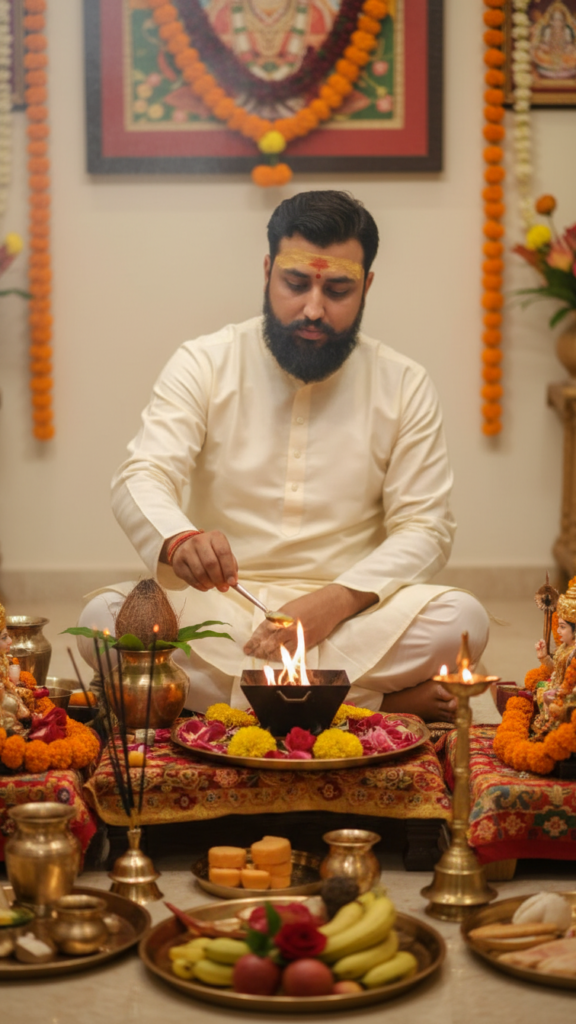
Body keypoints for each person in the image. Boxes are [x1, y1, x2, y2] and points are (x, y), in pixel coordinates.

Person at [79, 191, 489, 721]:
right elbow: (143, 472)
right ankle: (374, 704)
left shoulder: (404, 383)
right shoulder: (205, 362)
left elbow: (425, 527)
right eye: (296, 284)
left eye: (337, 289)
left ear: (366, 286)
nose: (313, 309)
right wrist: (179, 538)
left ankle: (231, 701)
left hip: (349, 615)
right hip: (225, 608)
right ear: (268, 271)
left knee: (464, 620)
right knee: (102, 621)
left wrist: (332, 604)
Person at [533, 581, 576, 734]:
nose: (558, 631)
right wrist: (544, 657)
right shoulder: (564, 647)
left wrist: (563, 692)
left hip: (570, 693)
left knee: (547, 695)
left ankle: (552, 728)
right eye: (558, 626)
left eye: (563, 627)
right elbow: (557, 672)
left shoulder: (574, 652)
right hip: (558, 687)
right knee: (540, 686)